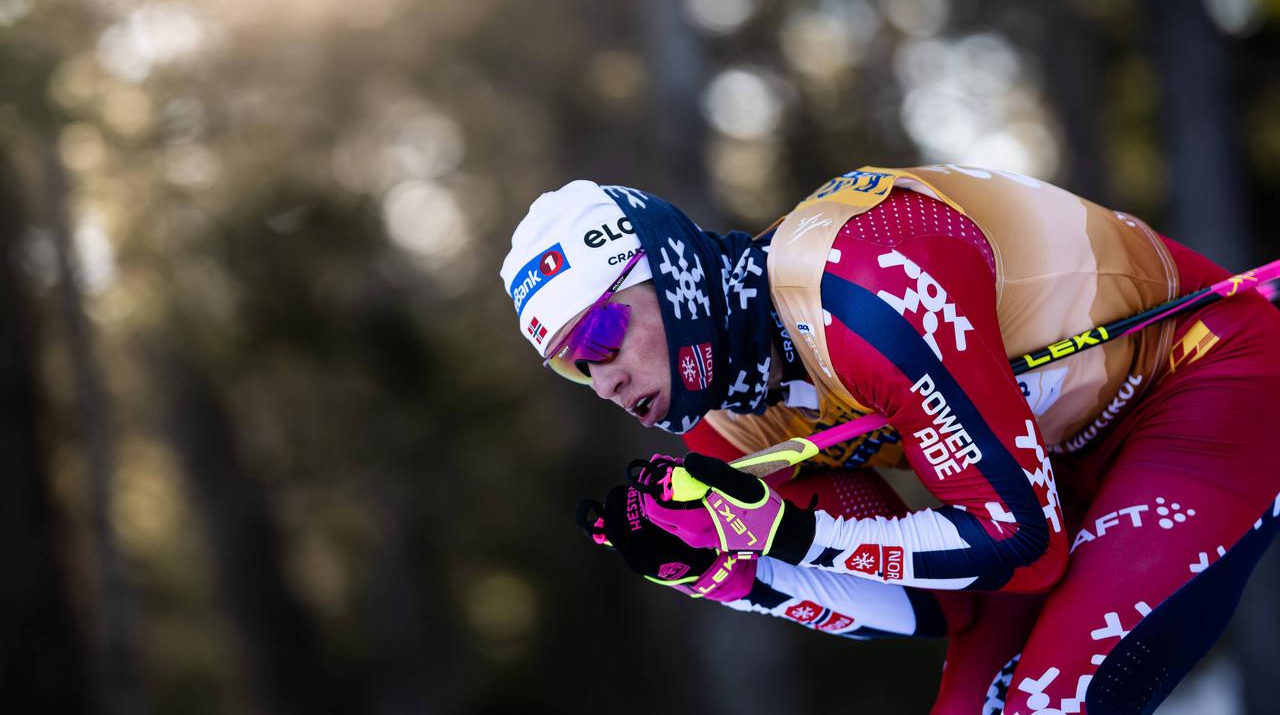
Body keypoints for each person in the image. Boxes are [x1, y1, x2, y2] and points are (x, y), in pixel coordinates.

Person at [499, 167, 1280, 714]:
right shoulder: (726, 426)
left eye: (599, 334)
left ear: (670, 274)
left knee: (1054, 702)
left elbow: (1023, 545)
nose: (602, 381)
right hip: (1052, 468)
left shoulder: (859, 283)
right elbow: (940, 607)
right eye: (574, 369)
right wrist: (738, 577)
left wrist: (787, 533)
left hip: (1197, 378)